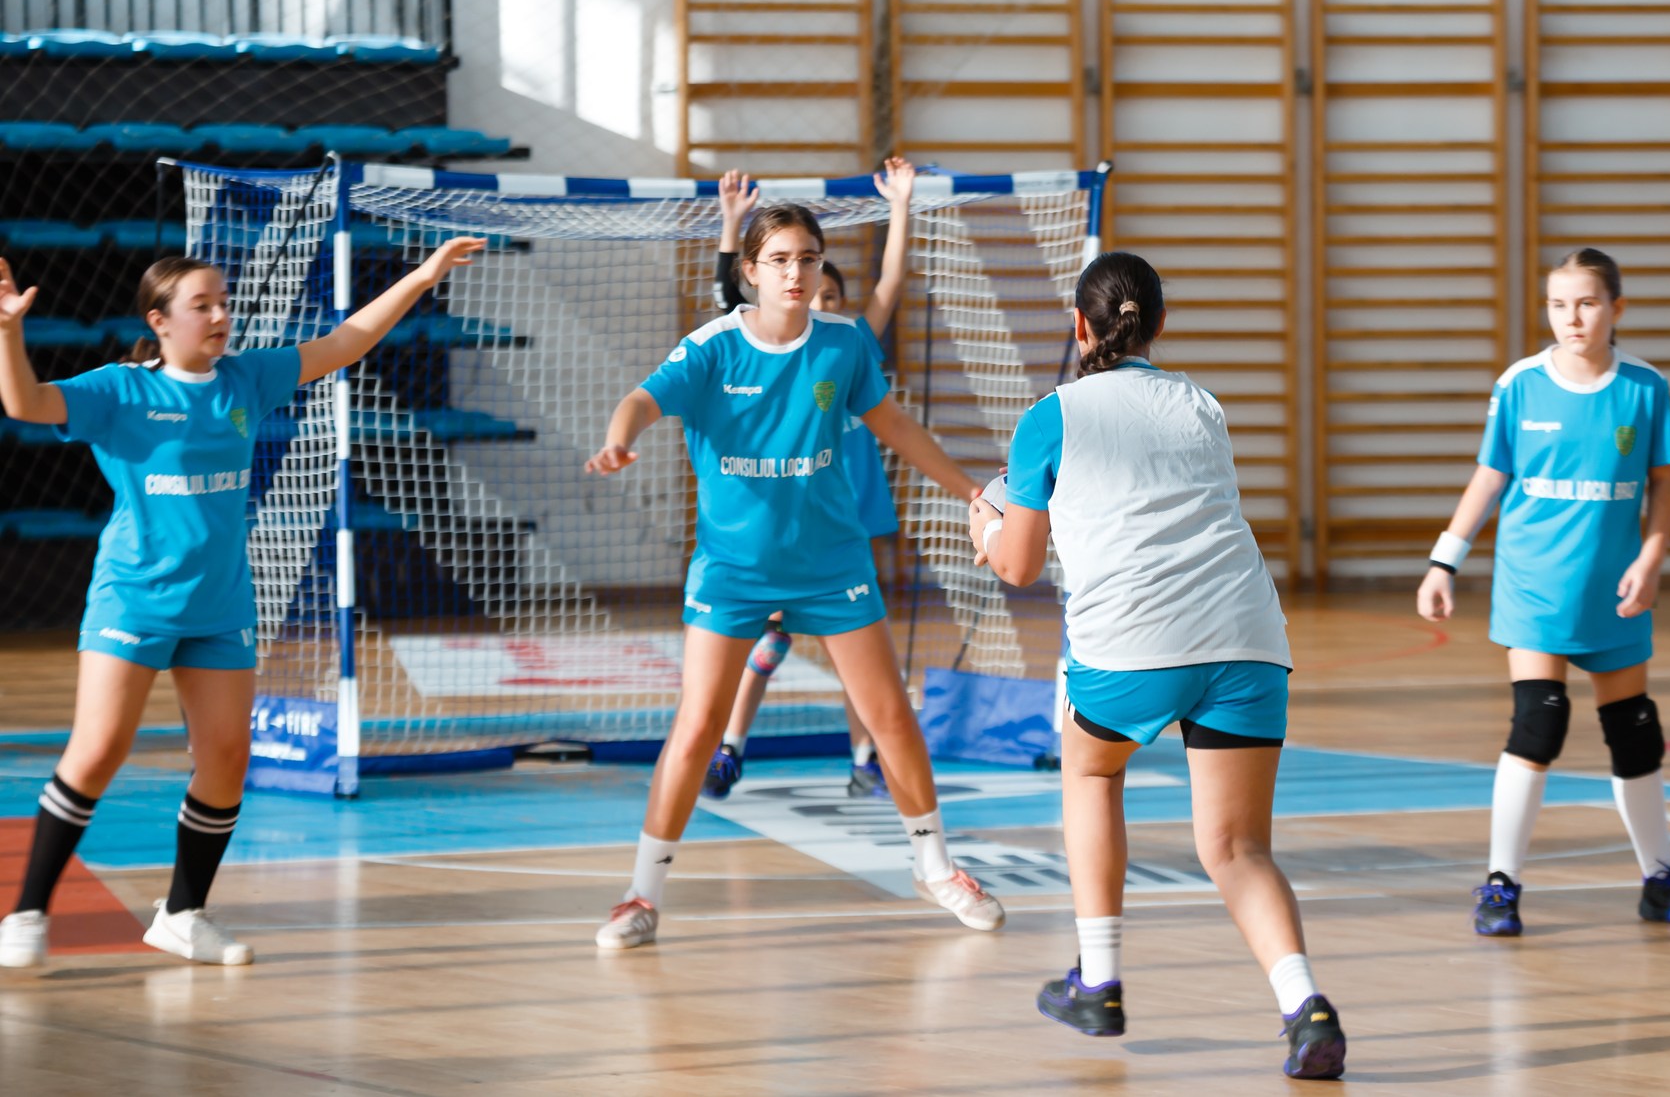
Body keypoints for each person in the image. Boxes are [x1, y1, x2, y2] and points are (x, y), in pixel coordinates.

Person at [0, 237, 486, 968]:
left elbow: (346, 342)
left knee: (227, 758)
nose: (220, 316)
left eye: (223, 302)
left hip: (220, 605)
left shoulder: (245, 380)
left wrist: (421, 276)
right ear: (160, 320)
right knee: (97, 752)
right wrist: (8, 332)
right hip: (134, 600)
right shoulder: (121, 390)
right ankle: (28, 912)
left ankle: (182, 913)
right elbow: (26, 402)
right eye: (202, 305)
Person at [585, 195, 1004, 949]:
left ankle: (935, 866)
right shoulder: (713, 347)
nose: (795, 273)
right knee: (697, 728)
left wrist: (970, 489)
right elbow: (641, 401)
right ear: (749, 270)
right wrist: (619, 440)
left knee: (891, 717)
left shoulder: (843, 345)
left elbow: (895, 425)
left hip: (832, 564)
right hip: (733, 572)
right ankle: (640, 895)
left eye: (808, 258)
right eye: (778, 260)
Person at [970, 251, 1346, 1081]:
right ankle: (1306, 1005)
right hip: (1245, 635)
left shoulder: (1050, 416)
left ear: (1078, 326)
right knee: (1239, 847)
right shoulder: (1202, 404)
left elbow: (1019, 565)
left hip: (1132, 644)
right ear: (1160, 324)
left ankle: (1098, 979)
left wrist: (986, 523)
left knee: (1091, 771)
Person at [1418, 246, 1670, 938]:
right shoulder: (1521, 384)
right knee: (1539, 721)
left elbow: (1664, 482)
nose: (1572, 318)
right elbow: (1490, 475)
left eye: (1586, 303)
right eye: (1559, 305)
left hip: (1615, 589)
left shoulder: (1645, 387)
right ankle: (1501, 884)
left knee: (1634, 730)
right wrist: (1444, 561)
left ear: (1617, 307)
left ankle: (1659, 880)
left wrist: (1652, 557)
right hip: (1535, 587)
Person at [701, 161, 914, 801]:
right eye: (788, 271)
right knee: (768, 640)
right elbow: (727, 294)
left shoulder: (850, 345)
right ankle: (730, 748)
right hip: (783, 518)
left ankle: (865, 758)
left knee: (861, 652)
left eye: (827, 291)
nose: (813, 296)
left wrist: (900, 206)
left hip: (847, 513)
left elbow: (891, 282)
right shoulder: (761, 342)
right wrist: (732, 223)